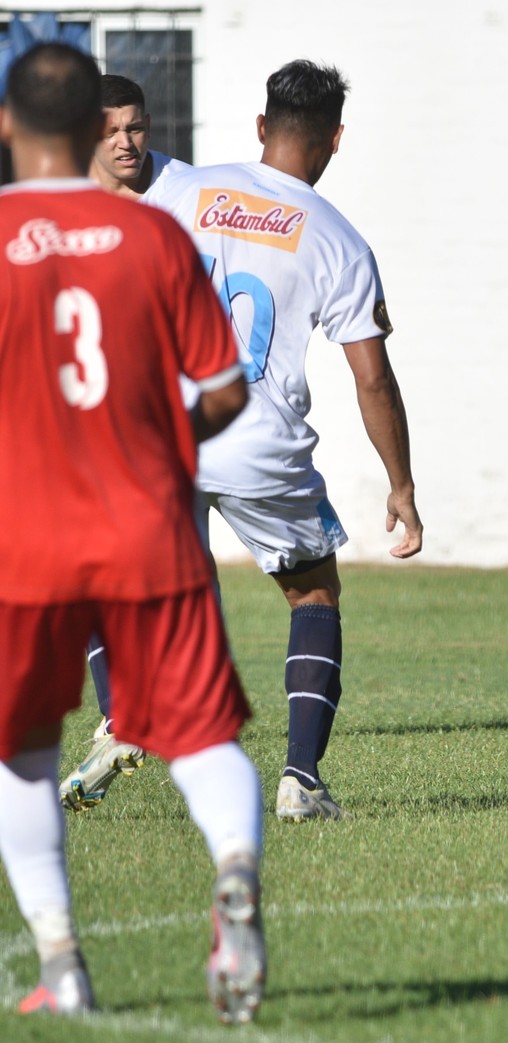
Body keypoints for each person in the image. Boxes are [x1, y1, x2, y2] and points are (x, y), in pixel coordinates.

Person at [65, 58, 424, 821]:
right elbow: (373, 380)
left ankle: (123, 710)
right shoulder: (340, 242)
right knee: (311, 591)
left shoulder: (185, 188)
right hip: (258, 441)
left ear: (260, 127)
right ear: (334, 141)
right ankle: (300, 780)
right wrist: (401, 483)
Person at [0, 42, 264, 1021]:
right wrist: (159, 437)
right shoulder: (153, 238)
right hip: (147, 517)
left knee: (24, 750)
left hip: (23, 534)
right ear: (89, 130)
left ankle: (62, 960)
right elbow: (226, 386)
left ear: (8, 126)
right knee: (198, 735)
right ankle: (235, 873)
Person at [60, 72, 193, 813]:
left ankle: (131, 715)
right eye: (112, 130)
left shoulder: (186, 199)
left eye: (136, 127)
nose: (126, 142)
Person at [89, 73, 185, 198]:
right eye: (110, 133)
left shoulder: (186, 189)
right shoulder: (61, 191)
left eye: (134, 129)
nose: (125, 143)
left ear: (148, 126)